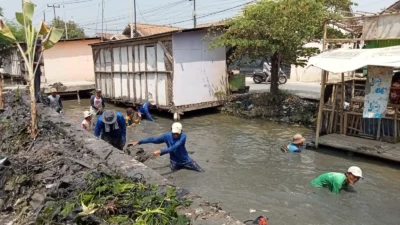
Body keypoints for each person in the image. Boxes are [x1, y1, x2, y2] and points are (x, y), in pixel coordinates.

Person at [128, 122, 204, 172]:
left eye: (177, 133)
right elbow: (154, 140)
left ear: (181, 131)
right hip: (174, 162)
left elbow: (174, 147)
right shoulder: (167, 136)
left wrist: (160, 151)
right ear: (171, 130)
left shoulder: (183, 136)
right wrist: (139, 142)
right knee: (174, 176)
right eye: (174, 133)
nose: (176, 135)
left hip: (186, 160)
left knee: (201, 171)